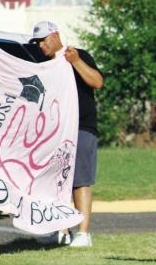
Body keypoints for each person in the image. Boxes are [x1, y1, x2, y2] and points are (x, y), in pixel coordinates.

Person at [30, 21, 103, 247]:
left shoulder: (78, 55)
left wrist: (76, 62)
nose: (41, 45)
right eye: (38, 42)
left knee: (79, 180)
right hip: (55, 131)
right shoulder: (43, 64)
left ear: (55, 35)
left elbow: (97, 82)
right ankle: (62, 229)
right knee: (55, 182)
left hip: (81, 127)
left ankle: (83, 232)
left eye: (44, 40)